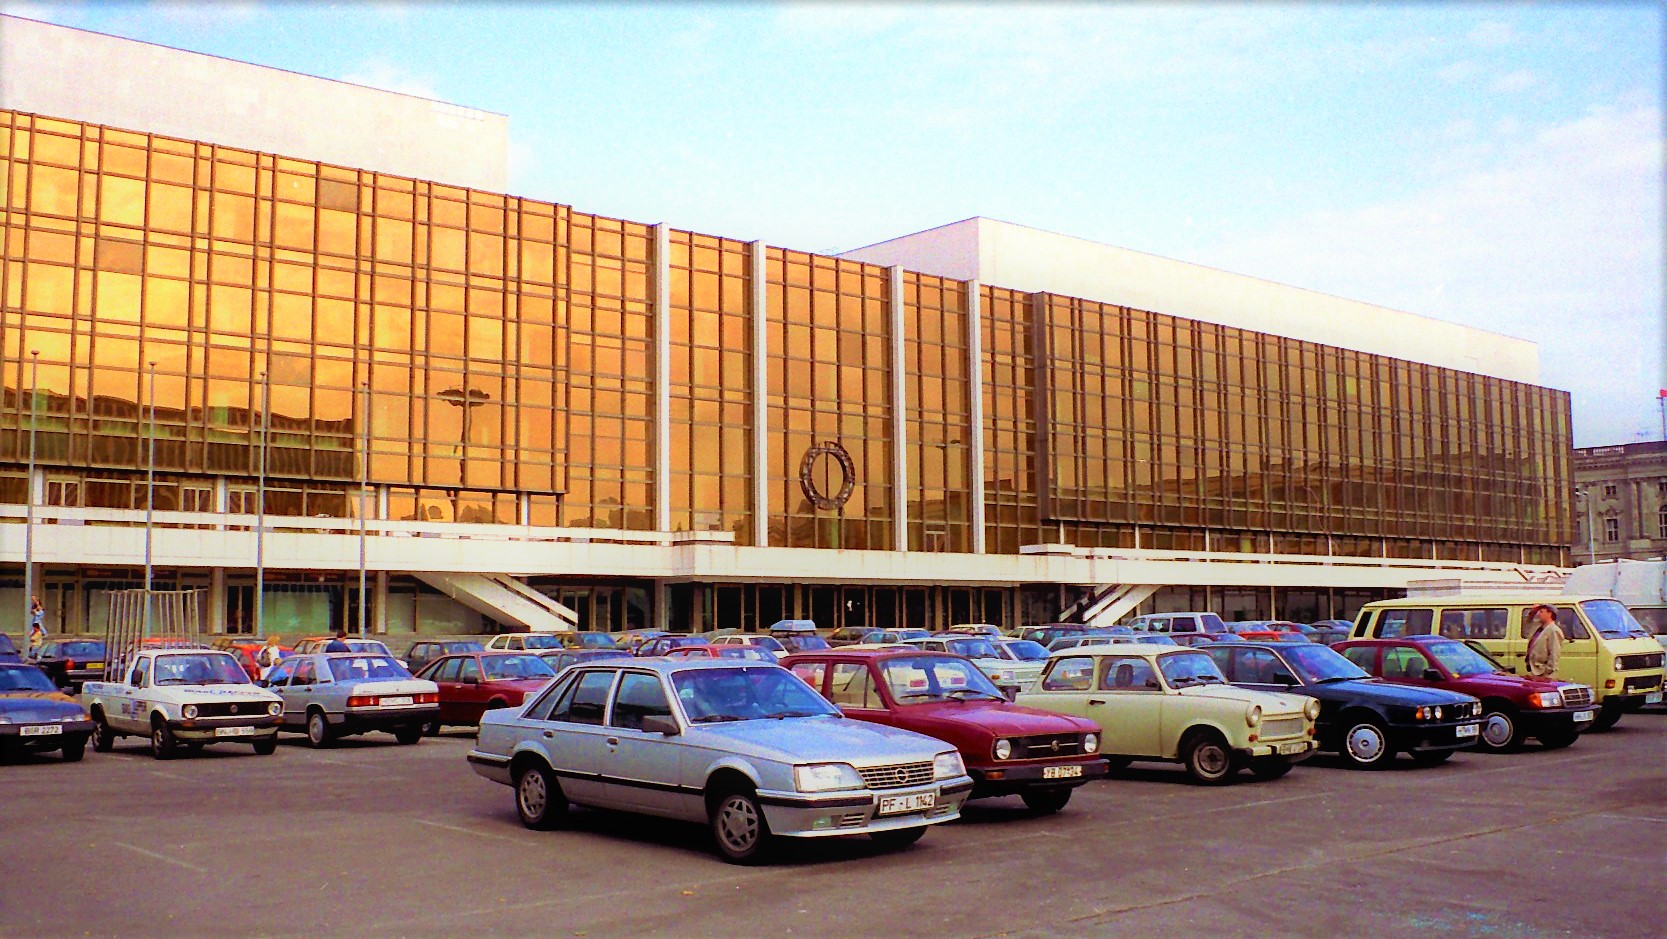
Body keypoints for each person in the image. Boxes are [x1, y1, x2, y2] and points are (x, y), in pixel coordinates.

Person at [1524, 603, 1566, 679]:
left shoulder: (1553, 630)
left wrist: (1547, 671)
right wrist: (1533, 612)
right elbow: (1528, 623)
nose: (1539, 614)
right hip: (1535, 671)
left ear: (1549, 613)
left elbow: (1554, 654)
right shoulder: (1539, 628)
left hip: (1544, 674)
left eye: (1541, 612)